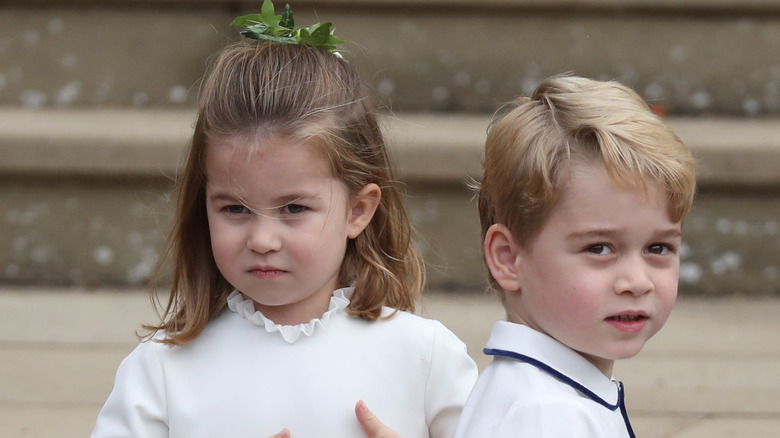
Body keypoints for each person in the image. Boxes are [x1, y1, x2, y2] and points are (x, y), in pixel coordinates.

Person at [90, 2, 477, 437]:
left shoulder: (423, 357)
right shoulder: (162, 370)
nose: (262, 238)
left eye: (293, 208)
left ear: (358, 210)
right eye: (235, 208)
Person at [453, 76, 697, 437]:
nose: (637, 282)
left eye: (657, 248)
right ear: (508, 258)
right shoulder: (549, 415)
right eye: (599, 248)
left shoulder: (544, 393)